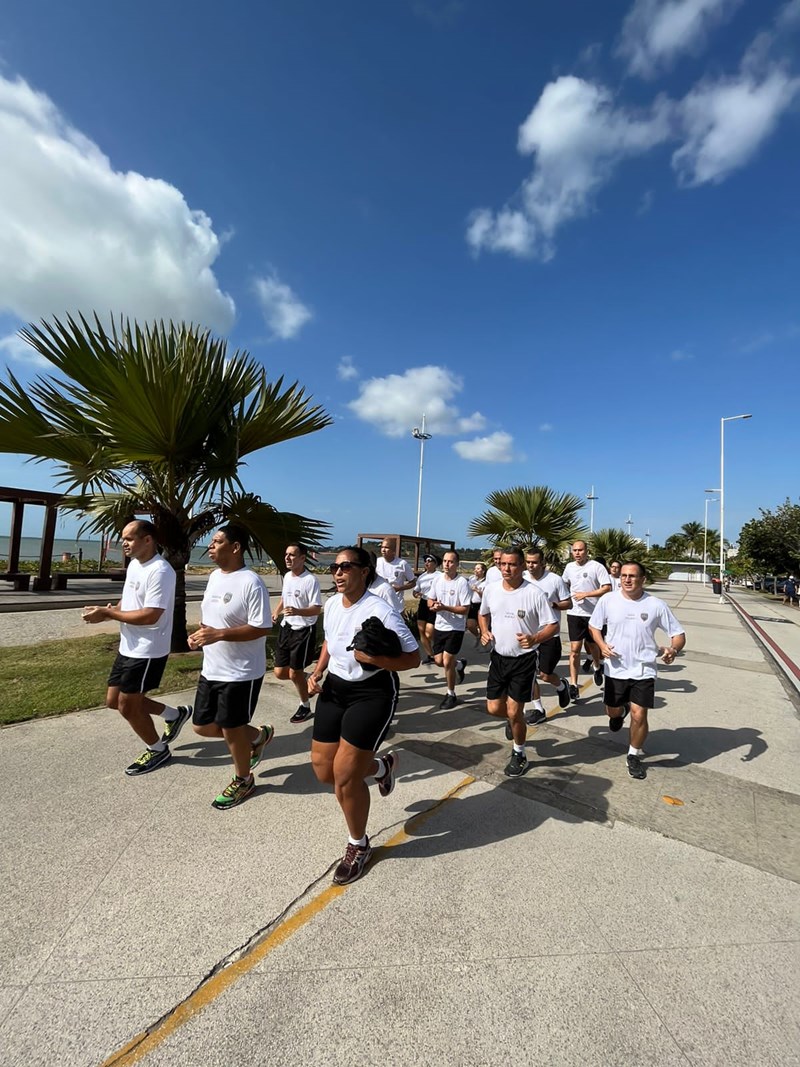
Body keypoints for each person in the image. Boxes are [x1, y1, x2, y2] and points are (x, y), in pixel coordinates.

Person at [308, 547, 419, 885]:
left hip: (373, 692)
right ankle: (382, 767)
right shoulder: (330, 605)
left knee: (345, 776)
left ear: (365, 571)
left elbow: (413, 657)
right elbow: (330, 640)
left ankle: (359, 844)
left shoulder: (380, 609)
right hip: (335, 689)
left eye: (346, 567)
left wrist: (375, 661)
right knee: (324, 771)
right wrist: (318, 671)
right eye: (334, 567)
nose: (338, 573)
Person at [83, 519, 189, 776]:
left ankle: (157, 749)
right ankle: (174, 715)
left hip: (148, 648)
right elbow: (129, 600)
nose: (124, 543)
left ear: (148, 540)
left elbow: (151, 615)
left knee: (127, 705)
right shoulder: (135, 566)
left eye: (129, 538)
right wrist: (110, 610)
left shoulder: (161, 571)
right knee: (113, 701)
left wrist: (108, 617)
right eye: (123, 538)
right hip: (128, 645)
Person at [188, 525, 274, 808]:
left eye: (217, 541)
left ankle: (244, 780)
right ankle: (258, 736)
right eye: (211, 541)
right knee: (201, 726)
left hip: (241, 671)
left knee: (231, 728)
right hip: (212, 666)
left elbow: (262, 627)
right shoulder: (214, 577)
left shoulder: (251, 582)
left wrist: (219, 634)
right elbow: (213, 620)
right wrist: (201, 634)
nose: (210, 545)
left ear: (235, 548)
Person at [589, 561, 686, 781]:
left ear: (643, 579)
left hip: (644, 668)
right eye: (624, 575)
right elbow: (594, 626)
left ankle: (633, 755)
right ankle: (618, 712)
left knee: (639, 713)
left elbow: (678, 634)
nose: (627, 579)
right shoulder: (608, 600)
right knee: (612, 711)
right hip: (615, 668)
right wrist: (602, 645)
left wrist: (673, 649)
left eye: (632, 576)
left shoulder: (655, 605)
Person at [479, 547, 559, 777]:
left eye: (512, 564)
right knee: (494, 708)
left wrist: (534, 638)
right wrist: (484, 631)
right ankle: (515, 722)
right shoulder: (491, 590)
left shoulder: (534, 593)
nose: (506, 568)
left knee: (515, 711)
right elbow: (482, 613)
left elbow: (552, 625)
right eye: (503, 564)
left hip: (523, 660)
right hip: (498, 658)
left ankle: (519, 753)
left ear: (522, 566)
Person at [272, 543, 322, 723]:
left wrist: (298, 611)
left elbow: (316, 609)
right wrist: (277, 611)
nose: (287, 558)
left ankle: (305, 706)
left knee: (294, 673)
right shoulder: (287, 576)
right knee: (279, 672)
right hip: (287, 627)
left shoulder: (310, 580)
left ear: (302, 558)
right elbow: (285, 598)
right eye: (286, 554)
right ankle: (307, 679)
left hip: (303, 630)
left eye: (292, 555)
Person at [524, 548, 572, 722]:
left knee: (544, 675)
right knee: (530, 674)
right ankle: (538, 709)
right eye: (528, 562)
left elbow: (569, 603)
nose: (530, 565)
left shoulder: (555, 580)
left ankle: (561, 686)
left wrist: (554, 605)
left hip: (549, 636)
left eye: (534, 562)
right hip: (528, 635)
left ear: (543, 563)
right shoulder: (522, 578)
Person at [562, 541, 611, 701]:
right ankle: (574, 685)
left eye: (580, 550)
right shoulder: (569, 567)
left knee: (592, 645)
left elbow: (606, 588)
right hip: (574, 613)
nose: (577, 553)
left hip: (593, 614)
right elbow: (564, 584)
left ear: (586, 551)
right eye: (574, 550)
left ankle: (597, 666)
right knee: (575, 649)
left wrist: (586, 594)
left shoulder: (596, 567)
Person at [427, 549, 472, 709]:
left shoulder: (462, 583)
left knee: (446, 662)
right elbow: (430, 599)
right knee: (439, 661)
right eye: (445, 561)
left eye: (451, 561)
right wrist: (433, 606)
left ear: (457, 564)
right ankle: (459, 665)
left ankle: (451, 694)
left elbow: (465, 609)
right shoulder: (438, 580)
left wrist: (445, 607)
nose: (447, 564)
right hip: (440, 626)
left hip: (456, 628)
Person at [412, 554, 440, 663]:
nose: (427, 563)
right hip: (423, 603)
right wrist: (416, 594)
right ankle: (430, 655)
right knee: (421, 630)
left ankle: (439, 647)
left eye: (429, 561)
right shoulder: (422, 576)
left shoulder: (439, 576)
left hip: (433, 603)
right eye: (425, 561)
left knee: (429, 632)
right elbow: (415, 591)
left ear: (435, 564)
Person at [375, 539, 415, 604]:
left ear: (393, 550)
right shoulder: (377, 562)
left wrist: (399, 588)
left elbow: (413, 582)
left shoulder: (402, 564)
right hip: (380, 602)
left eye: (386, 547)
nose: (383, 550)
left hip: (396, 603)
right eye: (382, 547)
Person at [467, 562, 487, 648]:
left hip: (481, 604)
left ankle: (485, 643)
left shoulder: (486, 582)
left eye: (478, 569)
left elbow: (486, 596)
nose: (475, 570)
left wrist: (477, 590)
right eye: (475, 568)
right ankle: (477, 636)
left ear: (483, 571)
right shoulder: (471, 579)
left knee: (482, 626)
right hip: (472, 605)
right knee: (470, 625)